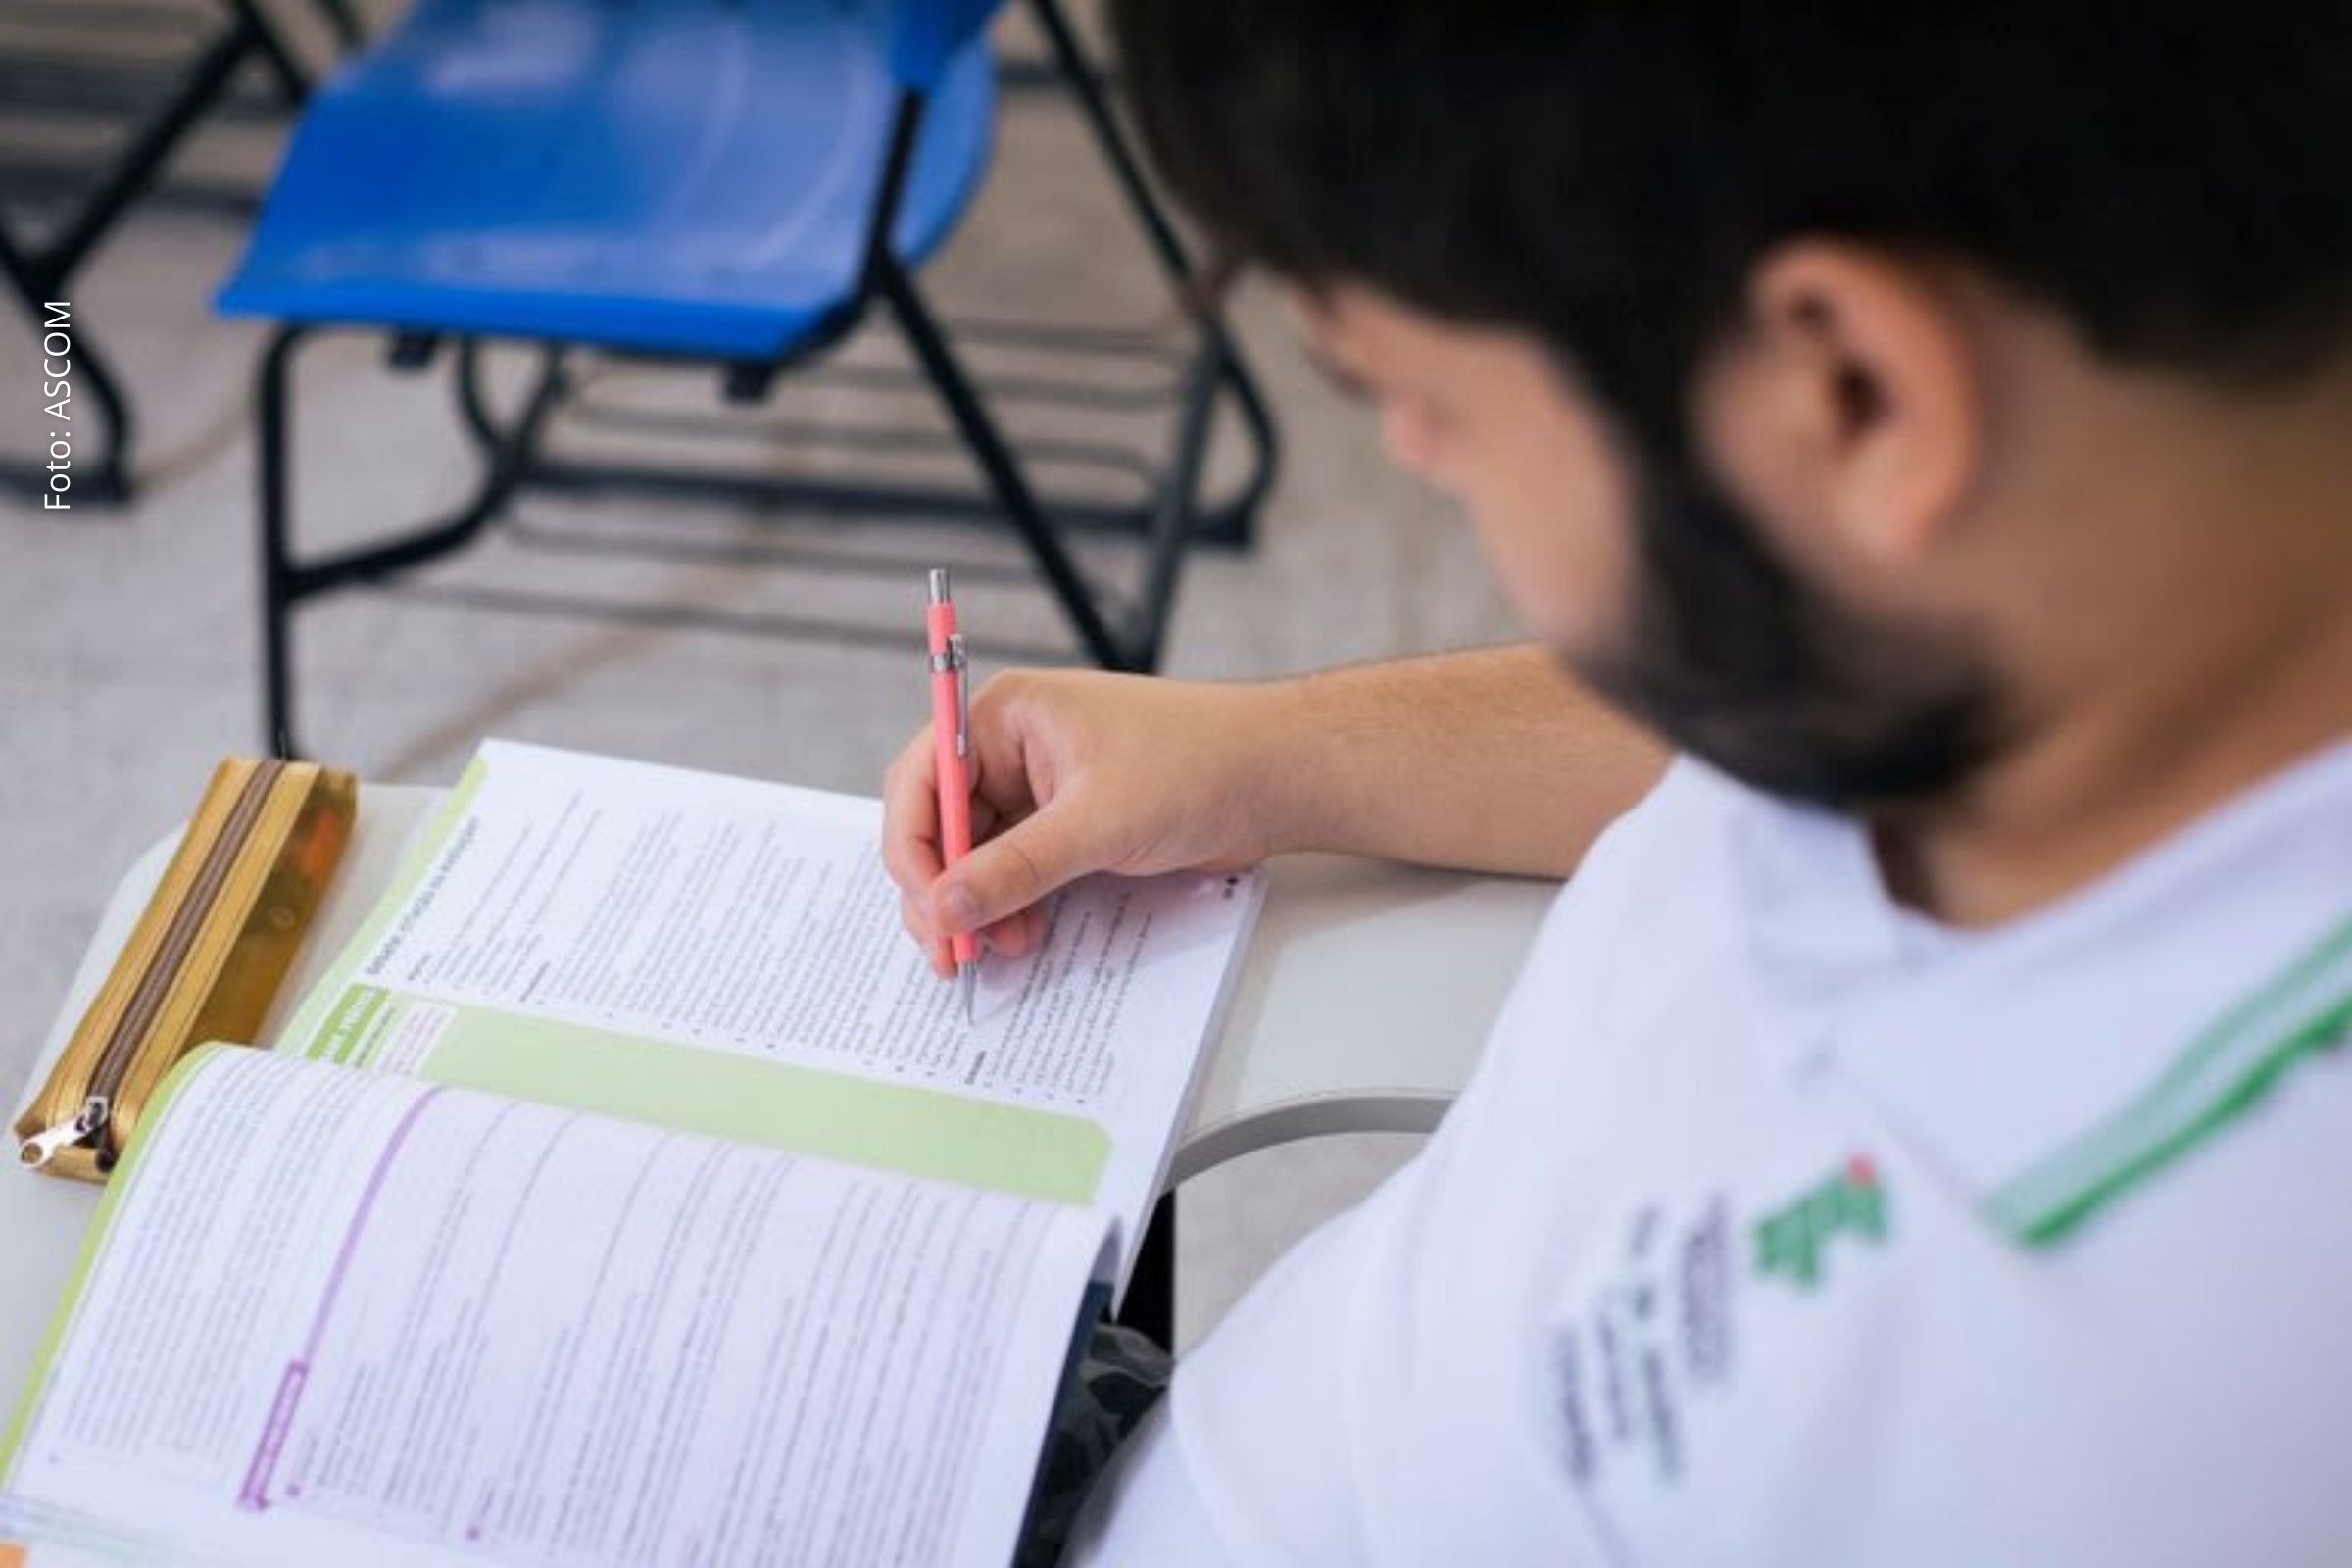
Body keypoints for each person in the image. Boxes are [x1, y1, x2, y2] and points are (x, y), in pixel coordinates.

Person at [880, 4, 2352, 1561]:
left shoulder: (2156, 1407)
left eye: (1426, 406)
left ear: (1854, 392)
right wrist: (1264, 754)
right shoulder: (2057, 605)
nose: (1421, 458)